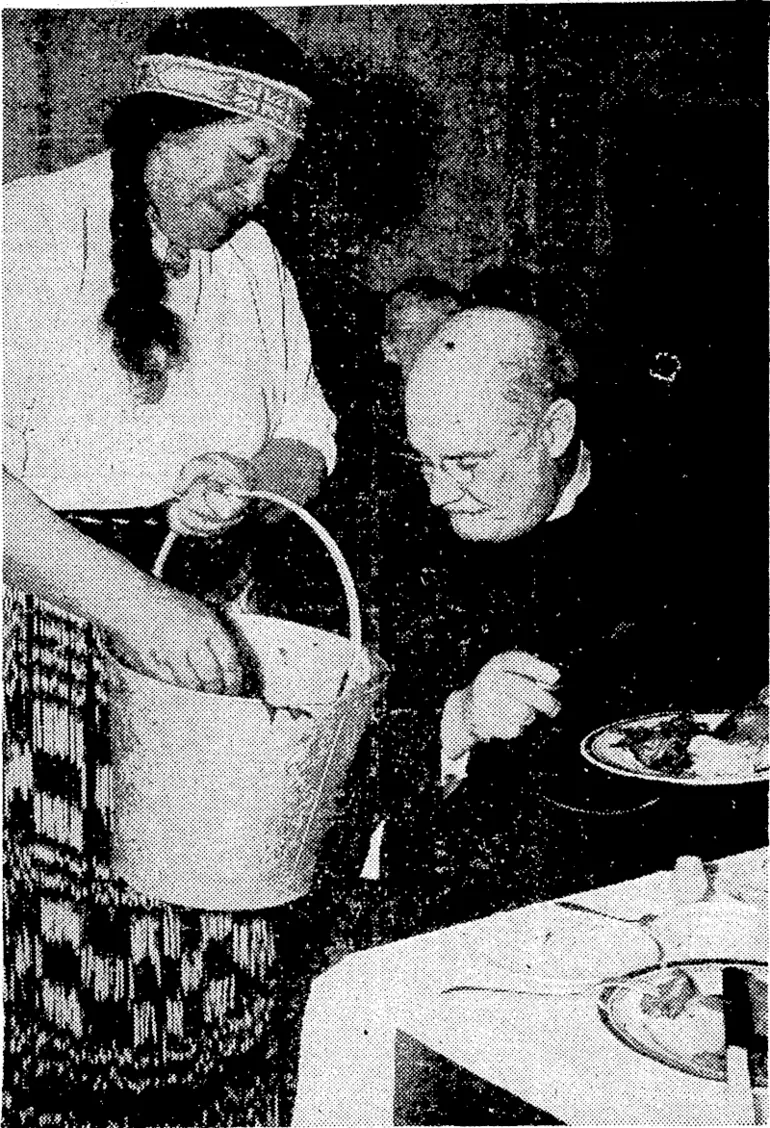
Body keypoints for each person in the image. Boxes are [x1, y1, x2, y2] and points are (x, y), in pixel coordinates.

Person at [3, 12, 338, 1126]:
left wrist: (247, 478)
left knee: (223, 927)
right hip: (60, 642)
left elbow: (311, 433)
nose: (258, 192)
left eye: (276, 169)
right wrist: (130, 603)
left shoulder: (250, 262)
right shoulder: (29, 232)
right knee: (85, 954)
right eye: (245, 155)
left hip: (214, 622)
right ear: (166, 124)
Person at [376, 306, 768, 936]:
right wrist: (458, 720)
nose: (438, 494)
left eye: (466, 465)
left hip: (674, 880)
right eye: (426, 461)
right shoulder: (397, 538)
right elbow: (346, 761)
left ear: (556, 430)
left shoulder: (687, 508)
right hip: (479, 901)